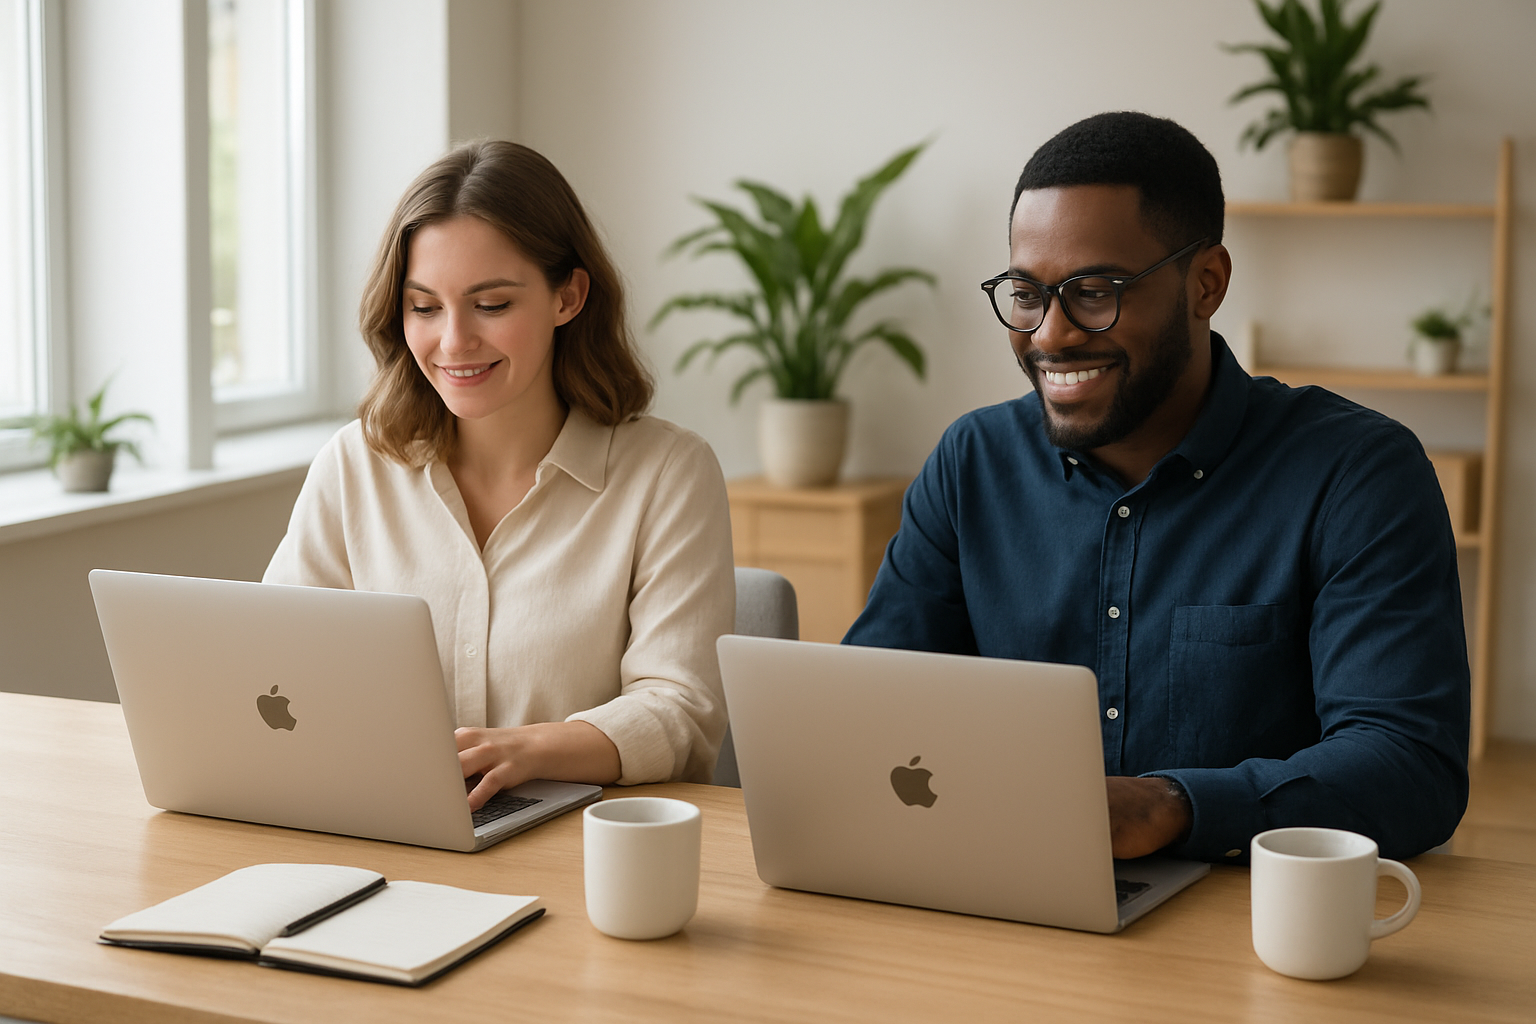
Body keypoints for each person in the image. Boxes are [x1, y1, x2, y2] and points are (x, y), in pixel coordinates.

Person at [844, 112, 1469, 863]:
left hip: (1244, 924)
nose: (1049, 334)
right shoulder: (971, 461)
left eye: (1095, 291)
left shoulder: (1357, 473)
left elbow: (1410, 765)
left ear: (1206, 284)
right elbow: (871, 705)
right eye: (1027, 292)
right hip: (1004, 895)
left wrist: (1173, 804)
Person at [265, 140, 735, 810]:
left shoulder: (668, 474)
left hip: (581, 846)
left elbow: (681, 713)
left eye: (491, 305)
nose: (453, 341)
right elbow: (274, 668)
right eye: (425, 307)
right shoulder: (353, 465)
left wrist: (525, 751)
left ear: (567, 297)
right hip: (380, 826)